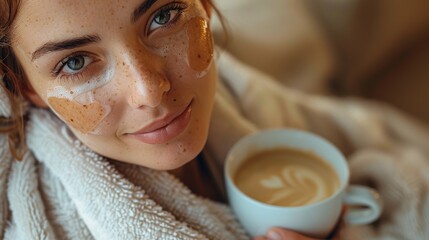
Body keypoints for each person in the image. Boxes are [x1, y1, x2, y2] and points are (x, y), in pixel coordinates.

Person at [1, 0, 429, 240]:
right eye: (76, 62)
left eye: (163, 16)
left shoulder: (247, 95)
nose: (149, 91)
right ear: (27, 89)